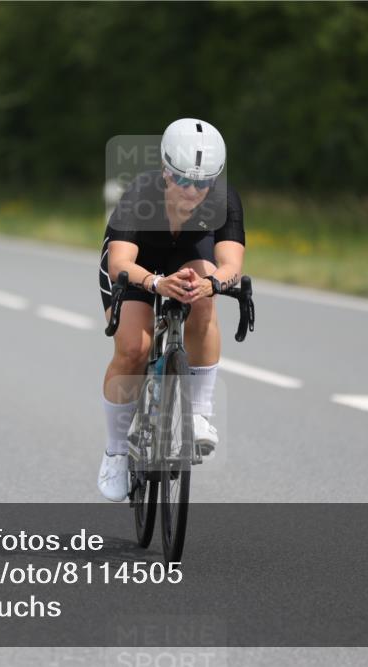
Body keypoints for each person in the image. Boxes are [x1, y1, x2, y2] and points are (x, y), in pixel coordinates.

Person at [97, 119, 246, 502]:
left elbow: (230, 264)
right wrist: (156, 284)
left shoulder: (224, 200)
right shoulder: (140, 193)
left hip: (186, 256)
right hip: (138, 265)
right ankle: (115, 452)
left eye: (203, 183)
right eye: (182, 180)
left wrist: (212, 284)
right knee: (134, 348)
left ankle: (197, 412)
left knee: (205, 295)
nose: (193, 191)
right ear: (165, 170)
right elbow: (120, 264)